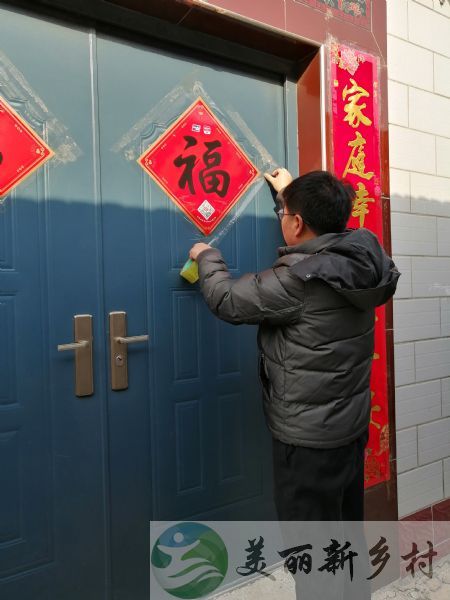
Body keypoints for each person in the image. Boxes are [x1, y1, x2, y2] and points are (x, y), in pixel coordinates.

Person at [189, 168, 399, 523]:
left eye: (288, 215)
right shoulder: (360, 261)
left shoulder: (297, 282)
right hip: (349, 431)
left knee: (314, 553)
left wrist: (206, 255)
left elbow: (226, 298)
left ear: (298, 223)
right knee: (344, 535)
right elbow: (314, 246)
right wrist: (285, 198)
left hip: (308, 446)